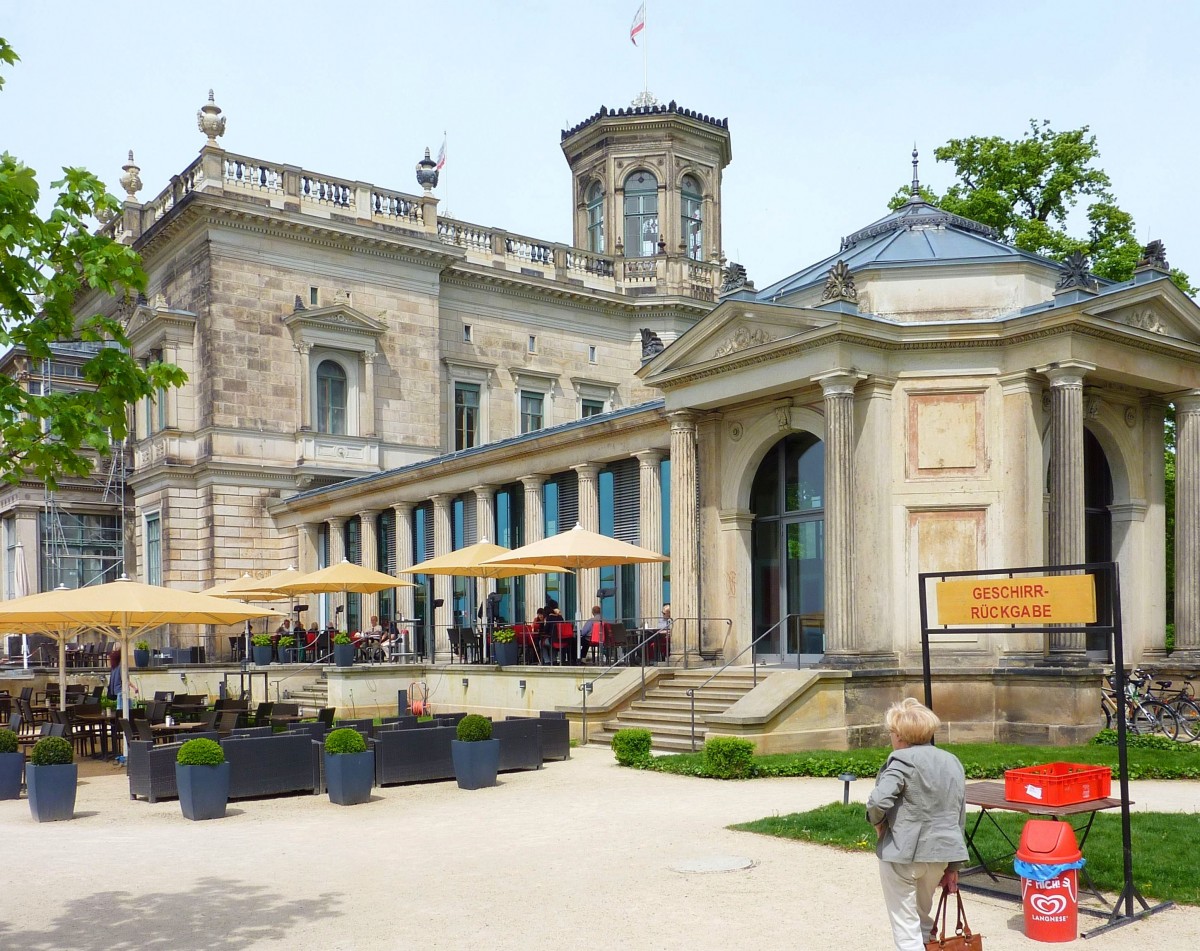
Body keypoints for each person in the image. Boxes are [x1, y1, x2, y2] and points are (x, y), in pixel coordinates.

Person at [866, 697, 968, 951]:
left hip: (904, 853)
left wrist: (876, 822)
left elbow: (878, 801)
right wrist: (953, 865)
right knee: (922, 921)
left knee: (905, 926)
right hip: (940, 855)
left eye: (891, 732)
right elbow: (959, 815)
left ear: (899, 735)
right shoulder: (952, 761)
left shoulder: (900, 760)